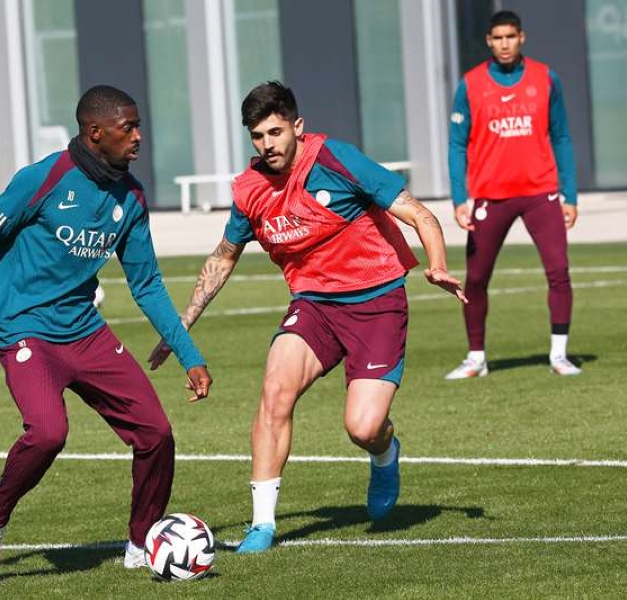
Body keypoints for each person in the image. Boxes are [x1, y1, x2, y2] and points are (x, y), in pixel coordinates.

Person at [148, 81, 465, 553]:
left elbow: (420, 215)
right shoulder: (250, 189)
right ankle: (262, 525)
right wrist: (181, 326)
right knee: (275, 389)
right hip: (314, 305)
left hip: (376, 303)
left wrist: (436, 264)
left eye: (275, 132)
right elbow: (223, 257)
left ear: (297, 127)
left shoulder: (337, 161)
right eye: (257, 136)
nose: (267, 145)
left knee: (363, 427)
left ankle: (384, 453)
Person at [0, 85, 213, 585]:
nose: (138, 137)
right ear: (95, 132)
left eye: (138, 126)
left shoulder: (131, 197)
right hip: (24, 330)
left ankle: (140, 542)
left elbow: (145, 283)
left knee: (156, 434)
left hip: (84, 330)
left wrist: (188, 353)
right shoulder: (43, 179)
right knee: (48, 433)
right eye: (129, 128)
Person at [446, 10, 581, 379]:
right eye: (497, 38)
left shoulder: (545, 78)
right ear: (489, 41)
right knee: (475, 279)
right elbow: (457, 145)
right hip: (491, 196)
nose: (504, 43)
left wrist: (570, 194)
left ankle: (559, 355)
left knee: (559, 272)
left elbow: (563, 137)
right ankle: (476, 358)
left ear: (522, 37)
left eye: (510, 36)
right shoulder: (470, 85)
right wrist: (460, 198)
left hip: (541, 193)